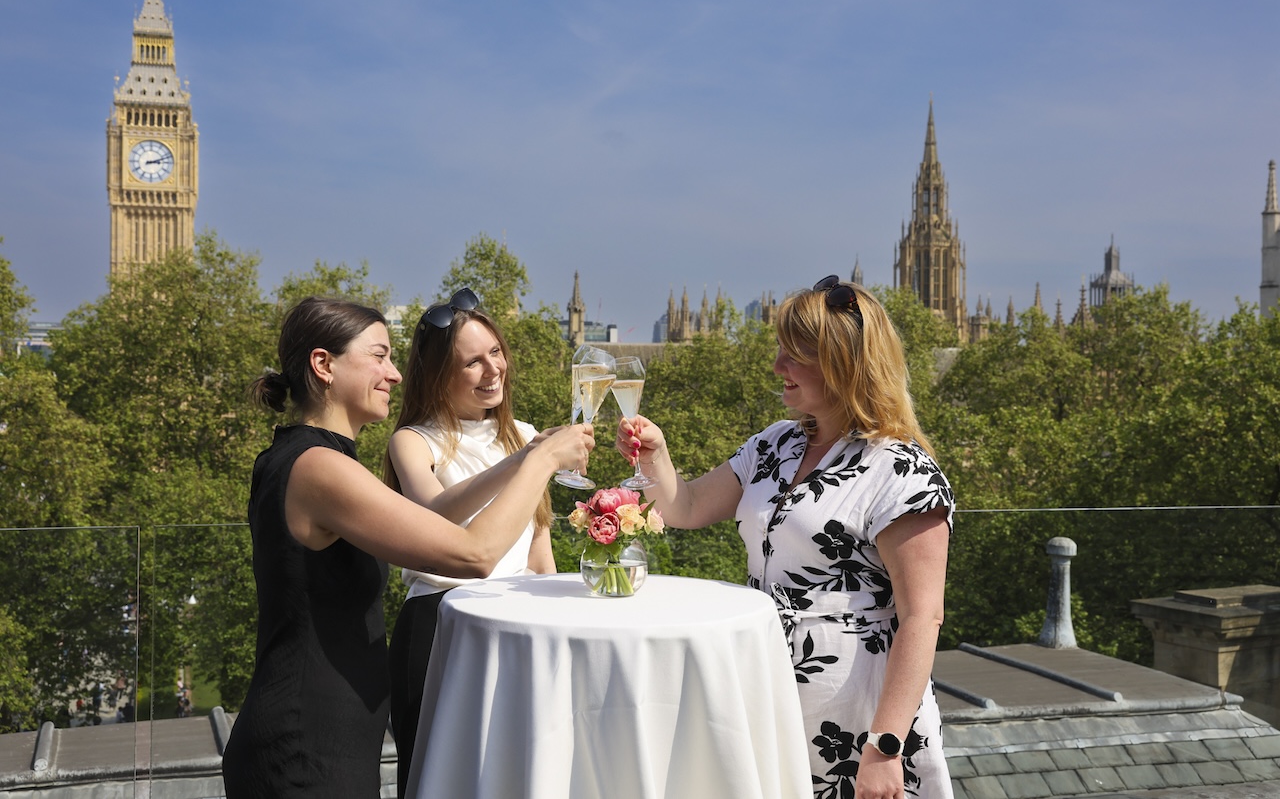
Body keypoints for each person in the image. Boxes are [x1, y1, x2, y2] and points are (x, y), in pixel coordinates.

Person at [220, 296, 593, 799]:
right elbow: (472, 554)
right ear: (323, 365)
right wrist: (542, 458)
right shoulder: (317, 467)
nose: (395, 375)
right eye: (379, 356)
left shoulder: (313, 460)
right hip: (303, 747)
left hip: (328, 742)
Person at [617, 276, 955, 799]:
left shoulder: (902, 470)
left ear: (844, 364)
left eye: (793, 356)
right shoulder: (777, 443)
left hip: (855, 715)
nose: (777, 366)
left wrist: (884, 747)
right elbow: (686, 507)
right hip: (765, 688)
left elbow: (922, 618)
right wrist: (654, 455)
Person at [382, 288, 557, 798]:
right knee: (440, 780)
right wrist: (528, 461)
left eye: (496, 353)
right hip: (442, 622)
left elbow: (538, 549)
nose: (492, 370)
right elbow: (437, 518)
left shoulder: (522, 435)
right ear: (439, 376)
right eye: (473, 363)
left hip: (520, 622)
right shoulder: (413, 441)